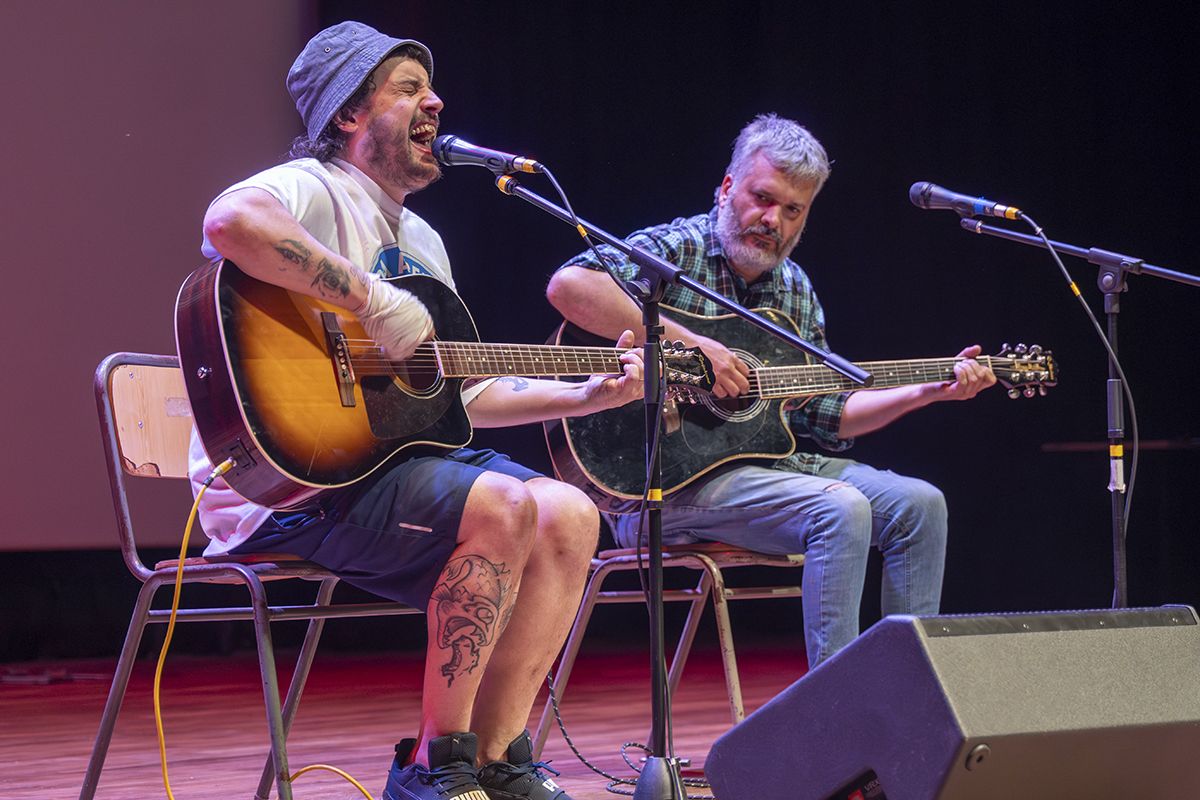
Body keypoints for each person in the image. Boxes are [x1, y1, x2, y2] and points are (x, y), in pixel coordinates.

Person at [189, 21, 643, 800]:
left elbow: (457, 394)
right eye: (406, 88)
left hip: (393, 463)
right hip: (292, 482)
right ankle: (436, 768)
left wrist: (585, 393)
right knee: (502, 501)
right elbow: (231, 224)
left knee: (571, 513)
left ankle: (496, 764)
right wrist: (369, 297)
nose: (435, 100)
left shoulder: (424, 238)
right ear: (347, 117)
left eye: (428, 87)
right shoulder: (312, 187)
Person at [546, 113, 996, 671]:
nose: (773, 221)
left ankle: (908, 700)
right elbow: (570, 286)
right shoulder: (677, 251)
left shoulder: (794, 288)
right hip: (657, 485)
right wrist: (692, 346)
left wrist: (923, 392)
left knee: (920, 505)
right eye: (763, 198)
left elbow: (827, 414)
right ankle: (836, 717)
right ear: (728, 187)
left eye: (793, 210)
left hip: (765, 468)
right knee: (841, 509)